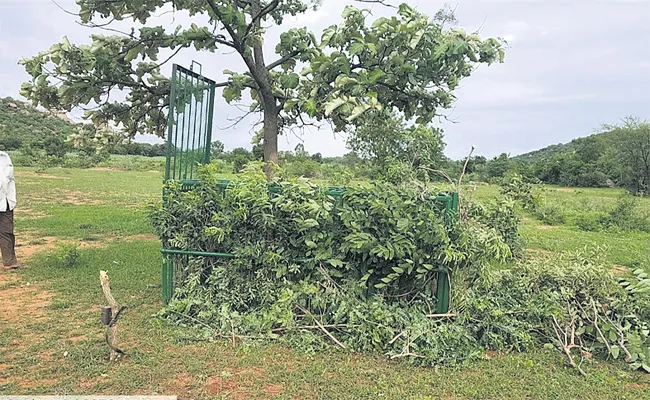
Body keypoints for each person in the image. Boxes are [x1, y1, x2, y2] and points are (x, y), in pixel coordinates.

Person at [0, 151, 23, 270]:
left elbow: (7, 180)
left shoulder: (5, 157)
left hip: (6, 202)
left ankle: (9, 261)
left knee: (7, 231)